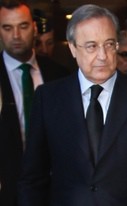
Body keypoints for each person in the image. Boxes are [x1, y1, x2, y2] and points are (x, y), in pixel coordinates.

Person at [18, 4, 127, 205]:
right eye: (91, 46)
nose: (102, 55)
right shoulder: (48, 98)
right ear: (73, 48)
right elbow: (33, 176)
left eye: (109, 44)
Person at [0, 1, 68, 205]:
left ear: (34, 28)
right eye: (7, 27)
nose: (16, 35)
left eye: (23, 26)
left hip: (54, 188)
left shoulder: (59, 74)